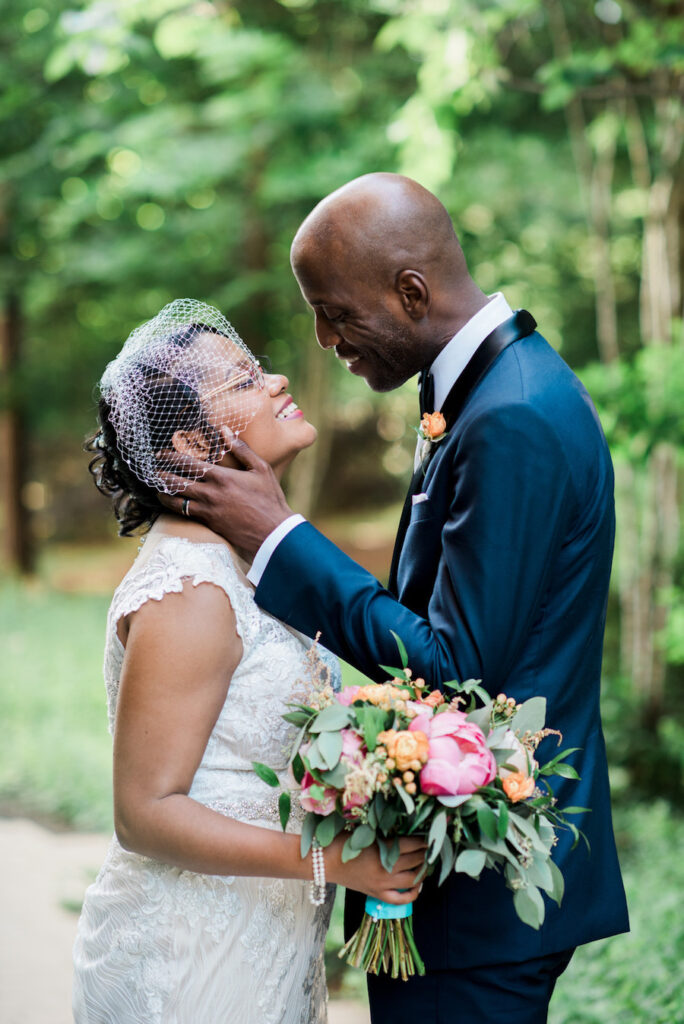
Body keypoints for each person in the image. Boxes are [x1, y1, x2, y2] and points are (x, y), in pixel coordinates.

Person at [157, 176, 630, 1024]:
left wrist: (279, 538)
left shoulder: (511, 414)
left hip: (480, 894)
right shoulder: (478, 390)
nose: (325, 337)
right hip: (452, 884)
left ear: (410, 292)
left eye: (334, 312)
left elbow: (458, 669)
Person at [72, 299, 425, 1024]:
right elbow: (145, 814)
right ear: (188, 448)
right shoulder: (193, 586)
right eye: (241, 381)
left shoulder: (243, 563)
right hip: (192, 953)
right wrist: (338, 863)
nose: (276, 378)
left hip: (260, 934)